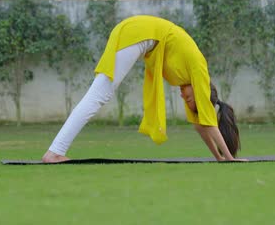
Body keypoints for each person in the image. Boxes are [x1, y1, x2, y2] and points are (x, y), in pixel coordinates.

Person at [42, 15, 243, 163]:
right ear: (202, 93)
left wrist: (219, 157)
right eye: (190, 99)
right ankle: (55, 152)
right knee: (99, 96)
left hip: (137, 34)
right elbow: (208, 121)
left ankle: (55, 151)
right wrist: (229, 158)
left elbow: (199, 123)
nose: (183, 96)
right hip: (138, 34)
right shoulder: (199, 69)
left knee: (98, 95)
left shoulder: (185, 80)